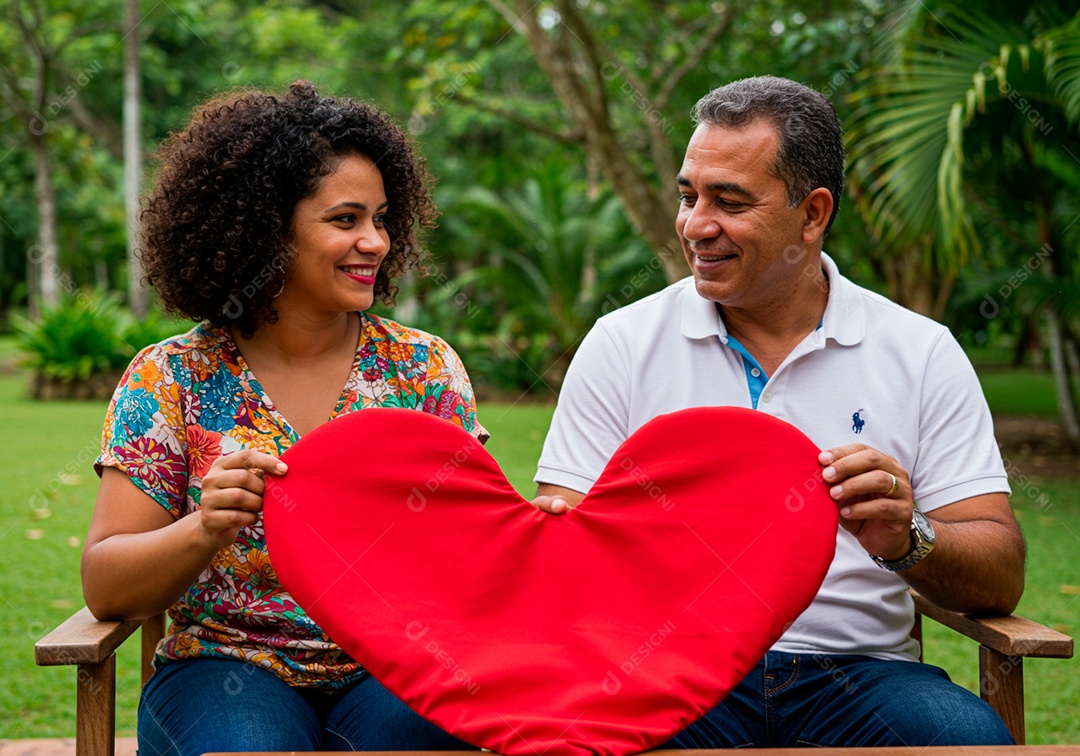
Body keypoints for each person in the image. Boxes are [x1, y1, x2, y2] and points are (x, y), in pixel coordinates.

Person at [532, 76, 1025, 748]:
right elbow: (564, 545)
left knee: (966, 740)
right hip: (672, 669)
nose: (696, 225)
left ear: (812, 213)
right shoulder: (623, 343)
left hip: (858, 674)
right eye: (689, 196)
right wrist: (577, 536)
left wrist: (907, 534)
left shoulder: (919, 352)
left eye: (729, 202)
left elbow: (1000, 574)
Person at [82, 81, 486, 755]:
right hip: (228, 669)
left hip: (396, 664)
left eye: (383, 219)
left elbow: (476, 559)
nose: (376, 242)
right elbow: (107, 586)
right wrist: (204, 527)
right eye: (345, 219)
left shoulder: (423, 369)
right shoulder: (171, 378)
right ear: (266, 227)